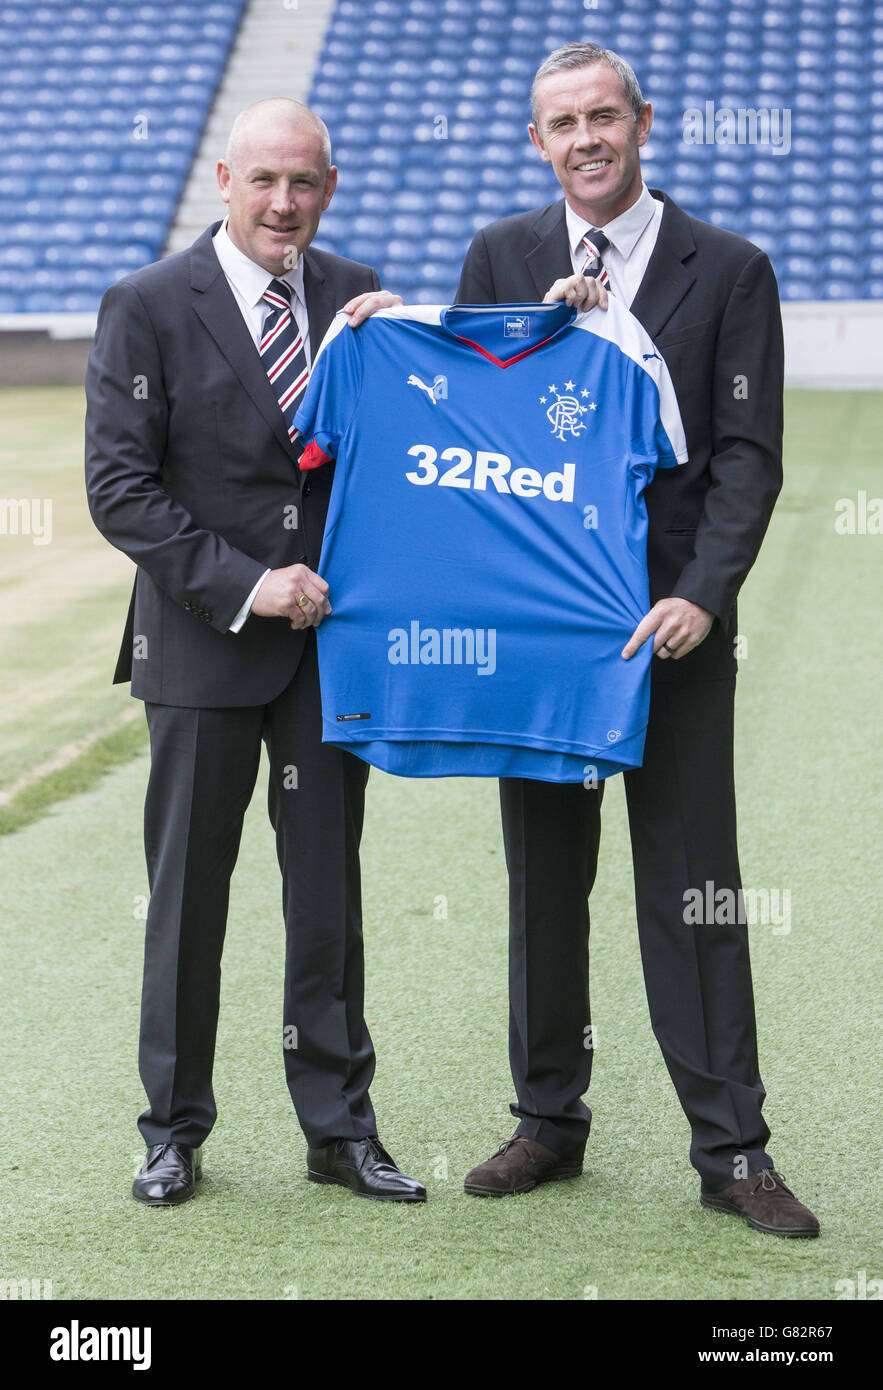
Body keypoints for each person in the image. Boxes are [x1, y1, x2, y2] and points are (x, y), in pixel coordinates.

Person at [351, 41, 818, 1237]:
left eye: (603, 117)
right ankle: (548, 1120)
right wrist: (376, 326)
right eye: (561, 123)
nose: (585, 139)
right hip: (538, 644)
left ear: (642, 121)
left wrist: (703, 597)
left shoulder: (729, 270)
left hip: (670, 634)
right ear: (536, 140)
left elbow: (746, 463)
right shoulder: (502, 254)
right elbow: (455, 418)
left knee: (693, 887)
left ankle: (733, 1150)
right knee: (543, 883)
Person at [85, 98, 424, 1206]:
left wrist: (411, 352)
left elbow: (398, 454)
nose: (286, 203)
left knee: (327, 896)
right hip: (201, 649)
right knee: (189, 898)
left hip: (330, 655)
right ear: (224, 179)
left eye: (307, 183)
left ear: (330, 185)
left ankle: (338, 1129)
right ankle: (173, 1130)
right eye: (266, 181)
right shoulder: (145, 304)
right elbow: (120, 490)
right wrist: (247, 584)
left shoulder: (356, 292)